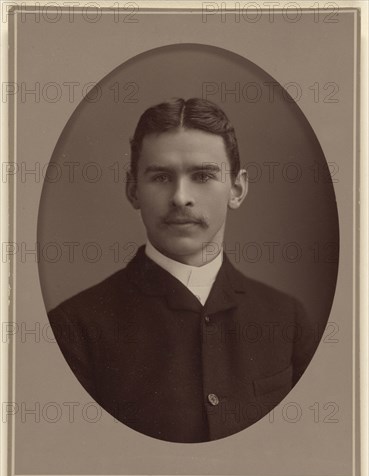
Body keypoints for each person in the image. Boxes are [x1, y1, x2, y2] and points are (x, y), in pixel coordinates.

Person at [48, 98, 316, 443]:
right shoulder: (75, 328)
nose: (180, 197)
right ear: (133, 190)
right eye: (161, 176)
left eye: (203, 175)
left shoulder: (288, 318)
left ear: (237, 188)